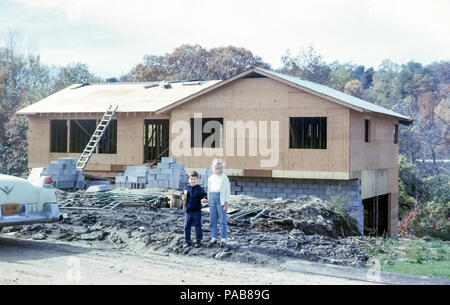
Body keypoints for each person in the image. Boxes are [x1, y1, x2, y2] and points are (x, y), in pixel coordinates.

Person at [207, 159, 231, 248]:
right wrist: (208, 200)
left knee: (222, 220)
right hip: (212, 198)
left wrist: (226, 203)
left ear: (222, 169)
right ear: (213, 168)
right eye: (216, 168)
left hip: (221, 199)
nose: (217, 170)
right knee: (213, 220)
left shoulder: (224, 178)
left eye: (219, 168)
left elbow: (227, 191)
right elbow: (209, 190)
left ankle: (223, 239)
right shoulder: (210, 178)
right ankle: (213, 237)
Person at [181, 170, 207, 248]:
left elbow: (204, 195)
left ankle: (198, 241)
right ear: (189, 180)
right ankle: (187, 241)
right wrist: (182, 196)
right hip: (188, 211)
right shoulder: (186, 187)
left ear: (197, 180)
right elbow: (182, 194)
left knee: (197, 225)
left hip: (197, 211)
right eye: (191, 179)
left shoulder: (199, 188)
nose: (193, 181)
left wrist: (204, 199)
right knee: (186, 226)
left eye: (194, 179)